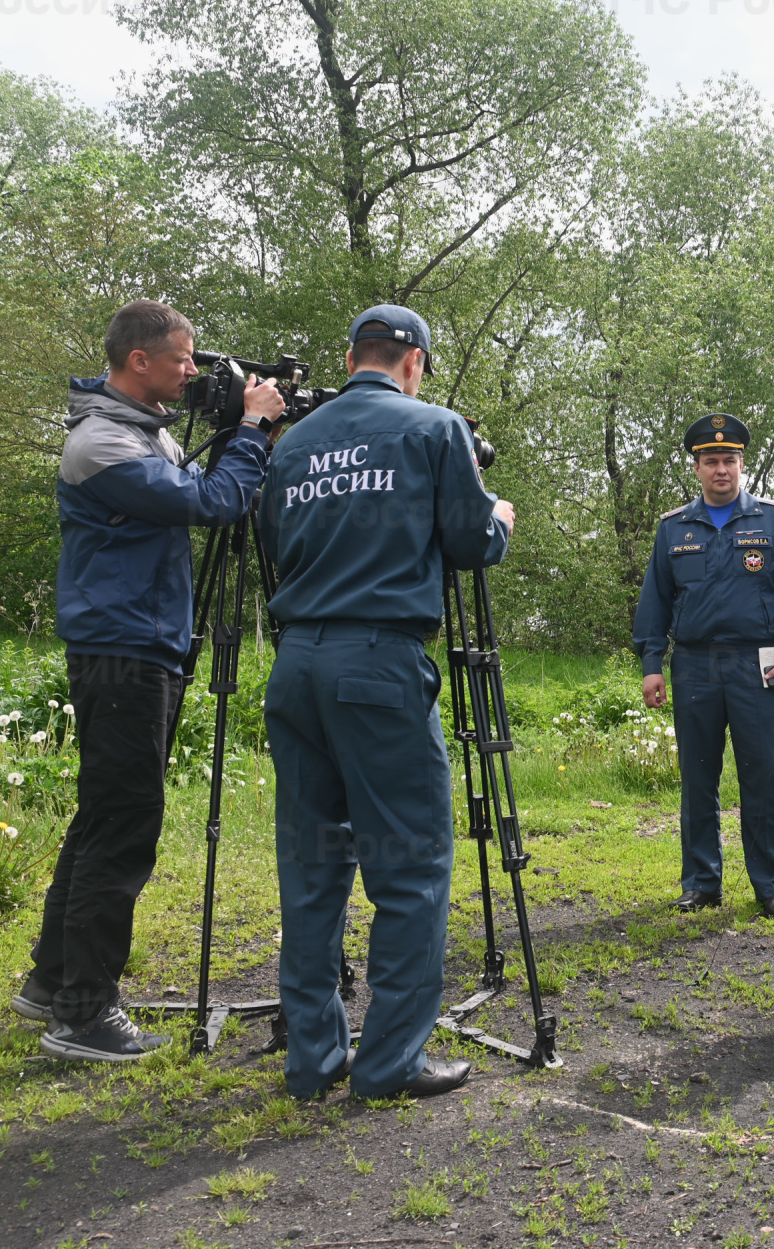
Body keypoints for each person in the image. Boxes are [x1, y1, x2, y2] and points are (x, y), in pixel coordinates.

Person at [17, 299, 286, 1062]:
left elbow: (198, 489)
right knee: (125, 825)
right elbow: (213, 502)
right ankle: (85, 1014)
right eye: (184, 358)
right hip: (123, 650)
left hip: (135, 643)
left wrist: (239, 434)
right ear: (139, 360)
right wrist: (252, 433)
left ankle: (53, 981)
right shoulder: (102, 442)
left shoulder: (140, 429)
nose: (194, 372)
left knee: (103, 816)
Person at [257, 304, 513, 1101]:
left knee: (311, 866)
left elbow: (272, 547)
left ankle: (313, 1057)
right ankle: (392, 1057)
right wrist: (497, 518)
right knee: (409, 865)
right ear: (416, 364)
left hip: (296, 660)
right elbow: (470, 543)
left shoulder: (291, 443)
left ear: (349, 357)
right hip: (379, 662)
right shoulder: (433, 429)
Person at [632, 414, 774, 918]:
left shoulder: (773, 521)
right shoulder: (673, 529)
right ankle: (701, 883)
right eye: (710, 461)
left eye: (729, 460)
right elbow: (655, 603)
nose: (721, 470)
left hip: (758, 662)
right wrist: (652, 663)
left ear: (741, 464)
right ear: (696, 468)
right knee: (697, 777)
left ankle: (772, 885)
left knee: (765, 776)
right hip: (692, 665)